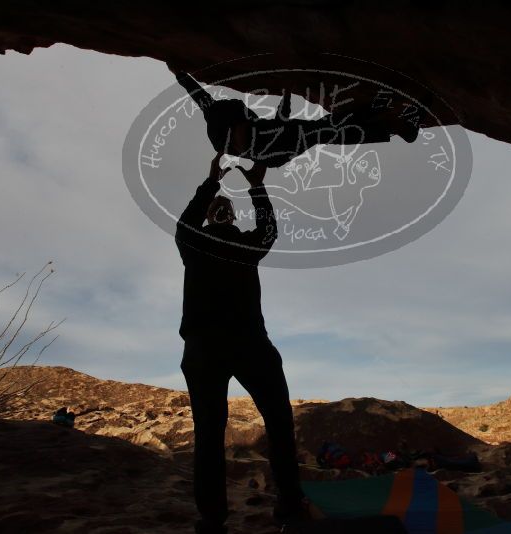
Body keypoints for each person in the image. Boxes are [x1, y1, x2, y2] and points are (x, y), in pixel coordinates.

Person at [176, 152, 306, 534]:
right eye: (220, 209)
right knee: (279, 422)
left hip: (205, 348)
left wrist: (212, 182)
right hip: (247, 343)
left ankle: (213, 520)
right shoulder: (239, 248)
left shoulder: (195, 244)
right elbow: (268, 230)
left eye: (221, 209)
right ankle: (289, 502)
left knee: (210, 433)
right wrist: (255, 186)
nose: (220, 212)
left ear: (219, 216)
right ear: (228, 217)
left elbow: (186, 224)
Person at [176, 72, 418, 168]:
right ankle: (392, 122)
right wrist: (288, 92)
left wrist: (180, 73)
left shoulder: (234, 120)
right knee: (326, 129)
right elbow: (281, 120)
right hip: (281, 150)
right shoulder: (250, 141)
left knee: (328, 130)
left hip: (276, 137)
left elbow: (198, 95)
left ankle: (390, 122)